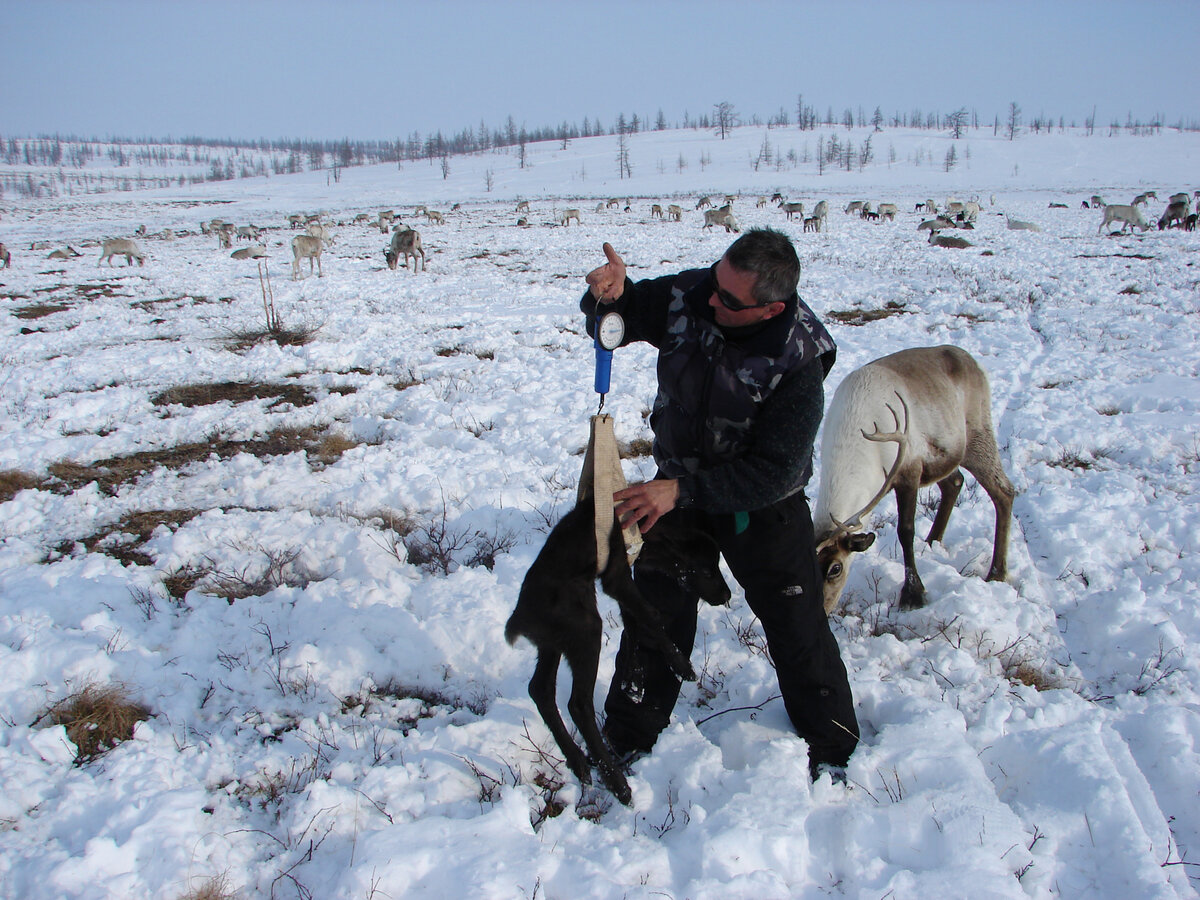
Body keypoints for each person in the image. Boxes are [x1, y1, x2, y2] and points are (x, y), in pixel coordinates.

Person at [581, 227, 859, 780]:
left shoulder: (799, 360)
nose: (712, 298)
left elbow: (774, 471)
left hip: (762, 506)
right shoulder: (693, 294)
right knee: (654, 612)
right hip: (676, 494)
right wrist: (608, 298)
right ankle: (628, 734)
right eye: (715, 281)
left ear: (769, 309)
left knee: (797, 626)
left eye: (729, 299)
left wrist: (679, 491)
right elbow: (621, 319)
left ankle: (834, 747)